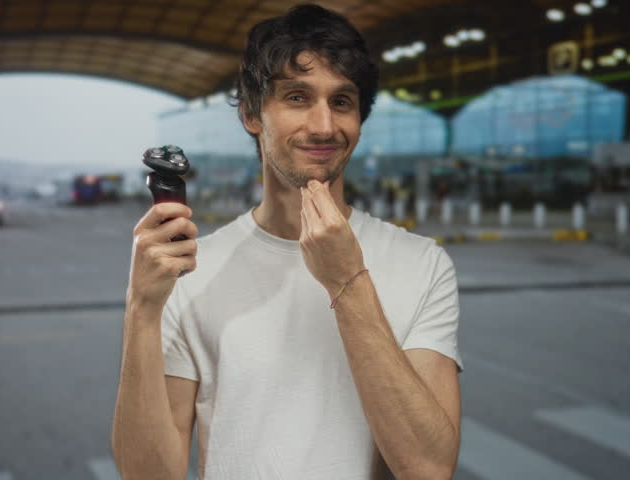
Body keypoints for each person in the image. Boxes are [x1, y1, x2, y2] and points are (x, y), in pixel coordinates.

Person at [112, 4, 463, 479]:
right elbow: (149, 476)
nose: (323, 126)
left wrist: (347, 281)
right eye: (297, 97)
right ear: (252, 114)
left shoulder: (423, 263)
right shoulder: (192, 271)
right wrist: (141, 308)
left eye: (342, 102)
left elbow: (428, 469)